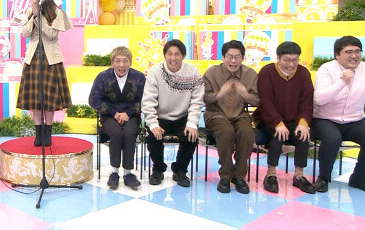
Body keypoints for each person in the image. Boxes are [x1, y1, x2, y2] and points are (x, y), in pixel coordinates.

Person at [313, 36, 365, 195]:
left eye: (357, 51)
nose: (354, 56)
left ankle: (359, 179)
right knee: (332, 139)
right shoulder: (326, 69)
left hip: (355, 120)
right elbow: (320, 99)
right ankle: (323, 178)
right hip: (325, 119)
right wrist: (342, 82)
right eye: (348, 52)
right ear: (337, 54)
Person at [253, 41, 315, 194]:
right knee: (278, 135)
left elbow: (307, 100)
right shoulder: (267, 72)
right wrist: (277, 123)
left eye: (295, 60)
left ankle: (299, 175)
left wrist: (303, 122)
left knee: (303, 135)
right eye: (287, 60)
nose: (291, 64)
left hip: (293, 120)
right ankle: (271, 174)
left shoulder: (303, 73)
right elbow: (265, 101)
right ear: (278, 58)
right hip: (268, 120)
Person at [141, 39, 204, 187]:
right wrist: (153, 124)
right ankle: (158, 170)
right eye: (169, 54)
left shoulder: (193, 72)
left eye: (177, 54)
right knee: (152, 137)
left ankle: (180, 170)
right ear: (164, 55)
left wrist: (192, 123)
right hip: (160, 116)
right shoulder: (155, 72)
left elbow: (197, 101)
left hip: (182, 117)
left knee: (191, 136)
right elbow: (148, 101)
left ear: (183, 56)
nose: (173, 58)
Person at [17, 0, 72, 146]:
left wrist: (39, 17)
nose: (31, 2)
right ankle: (38, 132)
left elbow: (52, 34)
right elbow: (25, 33)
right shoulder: (30, 12)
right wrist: (33, 17)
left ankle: (48, 132)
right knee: (35, 98)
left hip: (50, 60)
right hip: (33, 59)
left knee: (49, 98)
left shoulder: (56, 13)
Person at [203, 40, 260, 194]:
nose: (233, 61)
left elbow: (257, 101)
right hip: (216, 114)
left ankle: (239, 175)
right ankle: (225, 175)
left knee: (247, 133)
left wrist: (245, 94)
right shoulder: (212, 73)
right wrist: (219, 94)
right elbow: (204, 98)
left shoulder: (250, 74)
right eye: (229, 56)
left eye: (237, 57)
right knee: (226, 131)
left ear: (243, 58)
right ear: (223, 57)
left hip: (240, 114)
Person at [89, 46, 146, 190]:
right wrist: (114, 113)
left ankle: (128, 174)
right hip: (109, 117)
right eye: (118, 61)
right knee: (116, 133)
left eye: (125, 61)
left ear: (130, 62)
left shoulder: (139, 77)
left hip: (131, 116)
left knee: (129, 133)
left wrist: (128, 113)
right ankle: (114, 172)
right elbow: (93, 100)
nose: (121, 65)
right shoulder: (103, 77)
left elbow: (144, 101)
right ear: (112, 62)